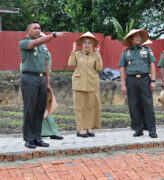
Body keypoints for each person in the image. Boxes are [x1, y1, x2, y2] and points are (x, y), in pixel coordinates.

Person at [19, 20, 66, 149]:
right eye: (34, 28)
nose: (37, 30)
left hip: (41, 79)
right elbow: (35, 43)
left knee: (40, 109)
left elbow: (46, 64)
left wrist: (48, 83)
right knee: (30, 109)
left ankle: (37, 138)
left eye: (39, 28)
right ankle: (28, 139)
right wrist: (53, 35)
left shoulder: (43, 46)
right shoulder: (24, 42)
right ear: (28, 31)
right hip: (29, 78)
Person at [119, 29, 158, 138]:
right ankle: (138, 129)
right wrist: (123, 84)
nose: (138, 38)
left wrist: (153, 80)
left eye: (139, 36)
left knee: (148, 105)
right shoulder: (126, 52)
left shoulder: (147, 50)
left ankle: (152, 130)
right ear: (131, 39)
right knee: (134, 105)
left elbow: (152, 65)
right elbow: (122, 69)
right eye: (135, 36)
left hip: (145, 79)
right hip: (131, 81)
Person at [68, 32, 103, 137]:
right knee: (80, 107)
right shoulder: (77, 54)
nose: (87, 45)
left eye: (89, 43)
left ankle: (90, 128)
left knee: (92, 107)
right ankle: (80, 129)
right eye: (85, 43)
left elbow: (99, 68)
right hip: (79, 84)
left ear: (92, 45)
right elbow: (71, 64)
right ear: (81, 44)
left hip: (92, 84)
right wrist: (73, 51)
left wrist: (98, 55)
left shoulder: (95, 55)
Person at [40, 32, 64, 140]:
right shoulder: (30, 50)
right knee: (36, 109)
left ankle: (51, 131)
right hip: (34, 82)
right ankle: (39, 133)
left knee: (47, 108)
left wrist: (47, 82)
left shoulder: (45, 52)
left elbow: (48, 68)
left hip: (43, 81)